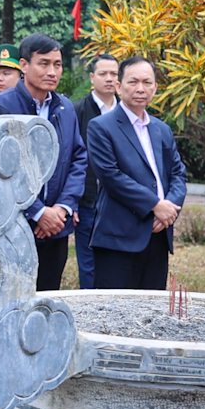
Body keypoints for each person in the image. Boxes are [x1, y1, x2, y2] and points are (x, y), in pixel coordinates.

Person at [0, 35, 86, 293]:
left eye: (58, 64)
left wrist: (62, 209)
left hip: (55, 229)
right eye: (44, 63)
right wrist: (38, 212)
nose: (52, 72)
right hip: (13, 227)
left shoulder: (65, 107)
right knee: (12, 301)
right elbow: (1, 169)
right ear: (24, 65)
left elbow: (77, 157)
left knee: (47, 299)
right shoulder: (0, 107)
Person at [84, 56, 189, 290]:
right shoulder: (101, 127)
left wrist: (169, 209)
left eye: (147, 82)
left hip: (158, 234)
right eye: (133, 82)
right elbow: (111, 176)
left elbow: (178, 174)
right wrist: (155, 205)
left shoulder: (161, 129)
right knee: (116, 313)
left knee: (152, 311)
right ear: (119, 87)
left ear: (155, 88)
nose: (140, 89)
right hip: (119, 239)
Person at [73, 53, 119, 289]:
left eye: (114, 74)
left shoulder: (128, 111)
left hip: (121, 204)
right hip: (88, 202)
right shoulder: (77, 110)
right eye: (103, 74)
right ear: (92, 77)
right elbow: (72, 158)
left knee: (118, 263)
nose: (109, 79)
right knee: (89, 264)